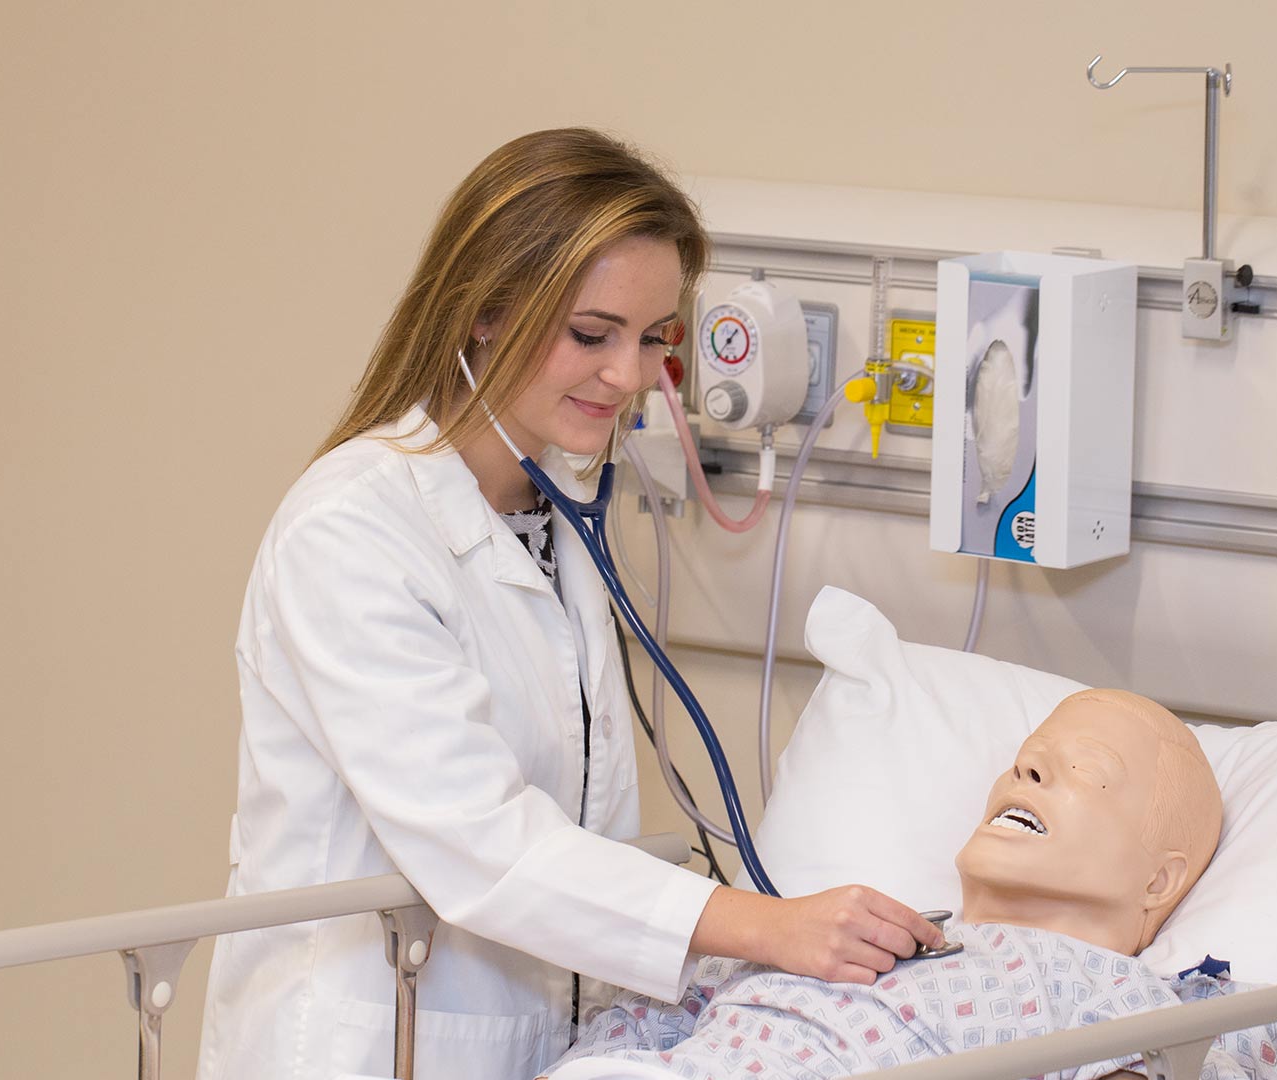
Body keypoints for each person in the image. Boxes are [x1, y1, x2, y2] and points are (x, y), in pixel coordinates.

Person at [194, 128, 941, 1080]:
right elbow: (482, 842)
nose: (629, 378)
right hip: (364, 1044)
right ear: (484, 313)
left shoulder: (555, 510)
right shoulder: (350, 533)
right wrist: (767, 929)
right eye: (591, 335)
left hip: (537, 1043)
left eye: (654, 341)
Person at [542, 690, 1277, 1080]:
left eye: (1084, 773)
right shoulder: (831, 925)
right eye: (1028, 758)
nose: (1030, 769)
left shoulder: (1127, 1003)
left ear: (1159, 880)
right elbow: (639, 1032)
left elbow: (1255, 1053)